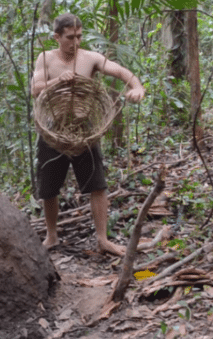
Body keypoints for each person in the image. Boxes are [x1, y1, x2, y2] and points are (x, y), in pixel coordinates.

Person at [31, 13, 145, 256]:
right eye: (71, 37)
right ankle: (51, 236)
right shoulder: (46, 59)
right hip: (53, 131)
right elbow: (36, 89)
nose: (76, 42)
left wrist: (137, 87)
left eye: (80, 36)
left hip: (84, 132)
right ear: (57, 37)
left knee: (98, 186)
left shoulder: (90, 58)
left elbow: (121, 71)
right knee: (48, 188)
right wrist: (58, 81)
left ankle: (103, 240)